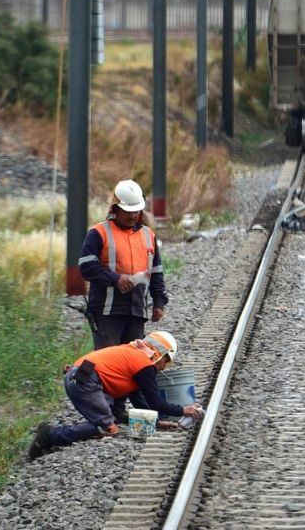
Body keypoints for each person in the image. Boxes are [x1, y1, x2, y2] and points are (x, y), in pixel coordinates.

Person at [27, 331, 204, 460]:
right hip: (85, 381)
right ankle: (50, 435)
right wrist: (183, 410)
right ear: (161, 354)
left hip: (79, 377)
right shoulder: (144, 364)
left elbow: (137, 399)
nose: (164, 367)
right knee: (106, 428)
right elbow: (155, 402)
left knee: (108, 422)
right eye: (166, 361)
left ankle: (52, 438)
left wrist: (155, 422)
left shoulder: (134, 354)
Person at [79, 179, 168, 350]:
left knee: (132, 362)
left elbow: (156, 271)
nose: (133, 215)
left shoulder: (148, 234)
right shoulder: (99, 233)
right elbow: (86, 267)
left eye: (136, 210)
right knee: (109, 362)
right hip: (107, 313)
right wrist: (115, 279)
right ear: (115, 209)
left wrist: (159, 302)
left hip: (136, 311)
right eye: (128, 211)